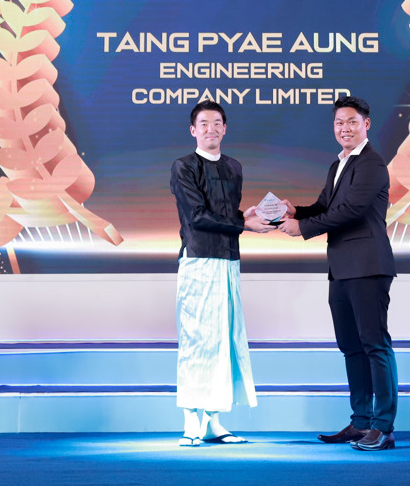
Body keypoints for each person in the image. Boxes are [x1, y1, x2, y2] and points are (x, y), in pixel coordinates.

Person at [279, 95, 398, 451]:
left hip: (368, 265)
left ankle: (383, 427)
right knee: (351, 347)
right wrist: (296, 211)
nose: (344, 128)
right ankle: (360, 422)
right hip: (341, 268)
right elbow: (325, 206)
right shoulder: (338, 164)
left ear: (366, 124)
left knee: (375, 344)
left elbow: (350, 210)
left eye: (351, 121)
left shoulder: (372, 163)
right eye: (339, 123)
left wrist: (302, 228)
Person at [170, 100, 273, 447]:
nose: (210, 129)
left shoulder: (233, 167)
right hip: (199, 260)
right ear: (193, 130)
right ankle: (190, 420)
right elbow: (198, 216)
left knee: (225, 339)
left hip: (228, 260)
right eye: (204, 123)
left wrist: (246, 215)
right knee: (197, 339)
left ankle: (214, 421)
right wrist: (244, 223)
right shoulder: (183, 166)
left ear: (225, 129)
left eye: (217, 123)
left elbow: (227, 213)